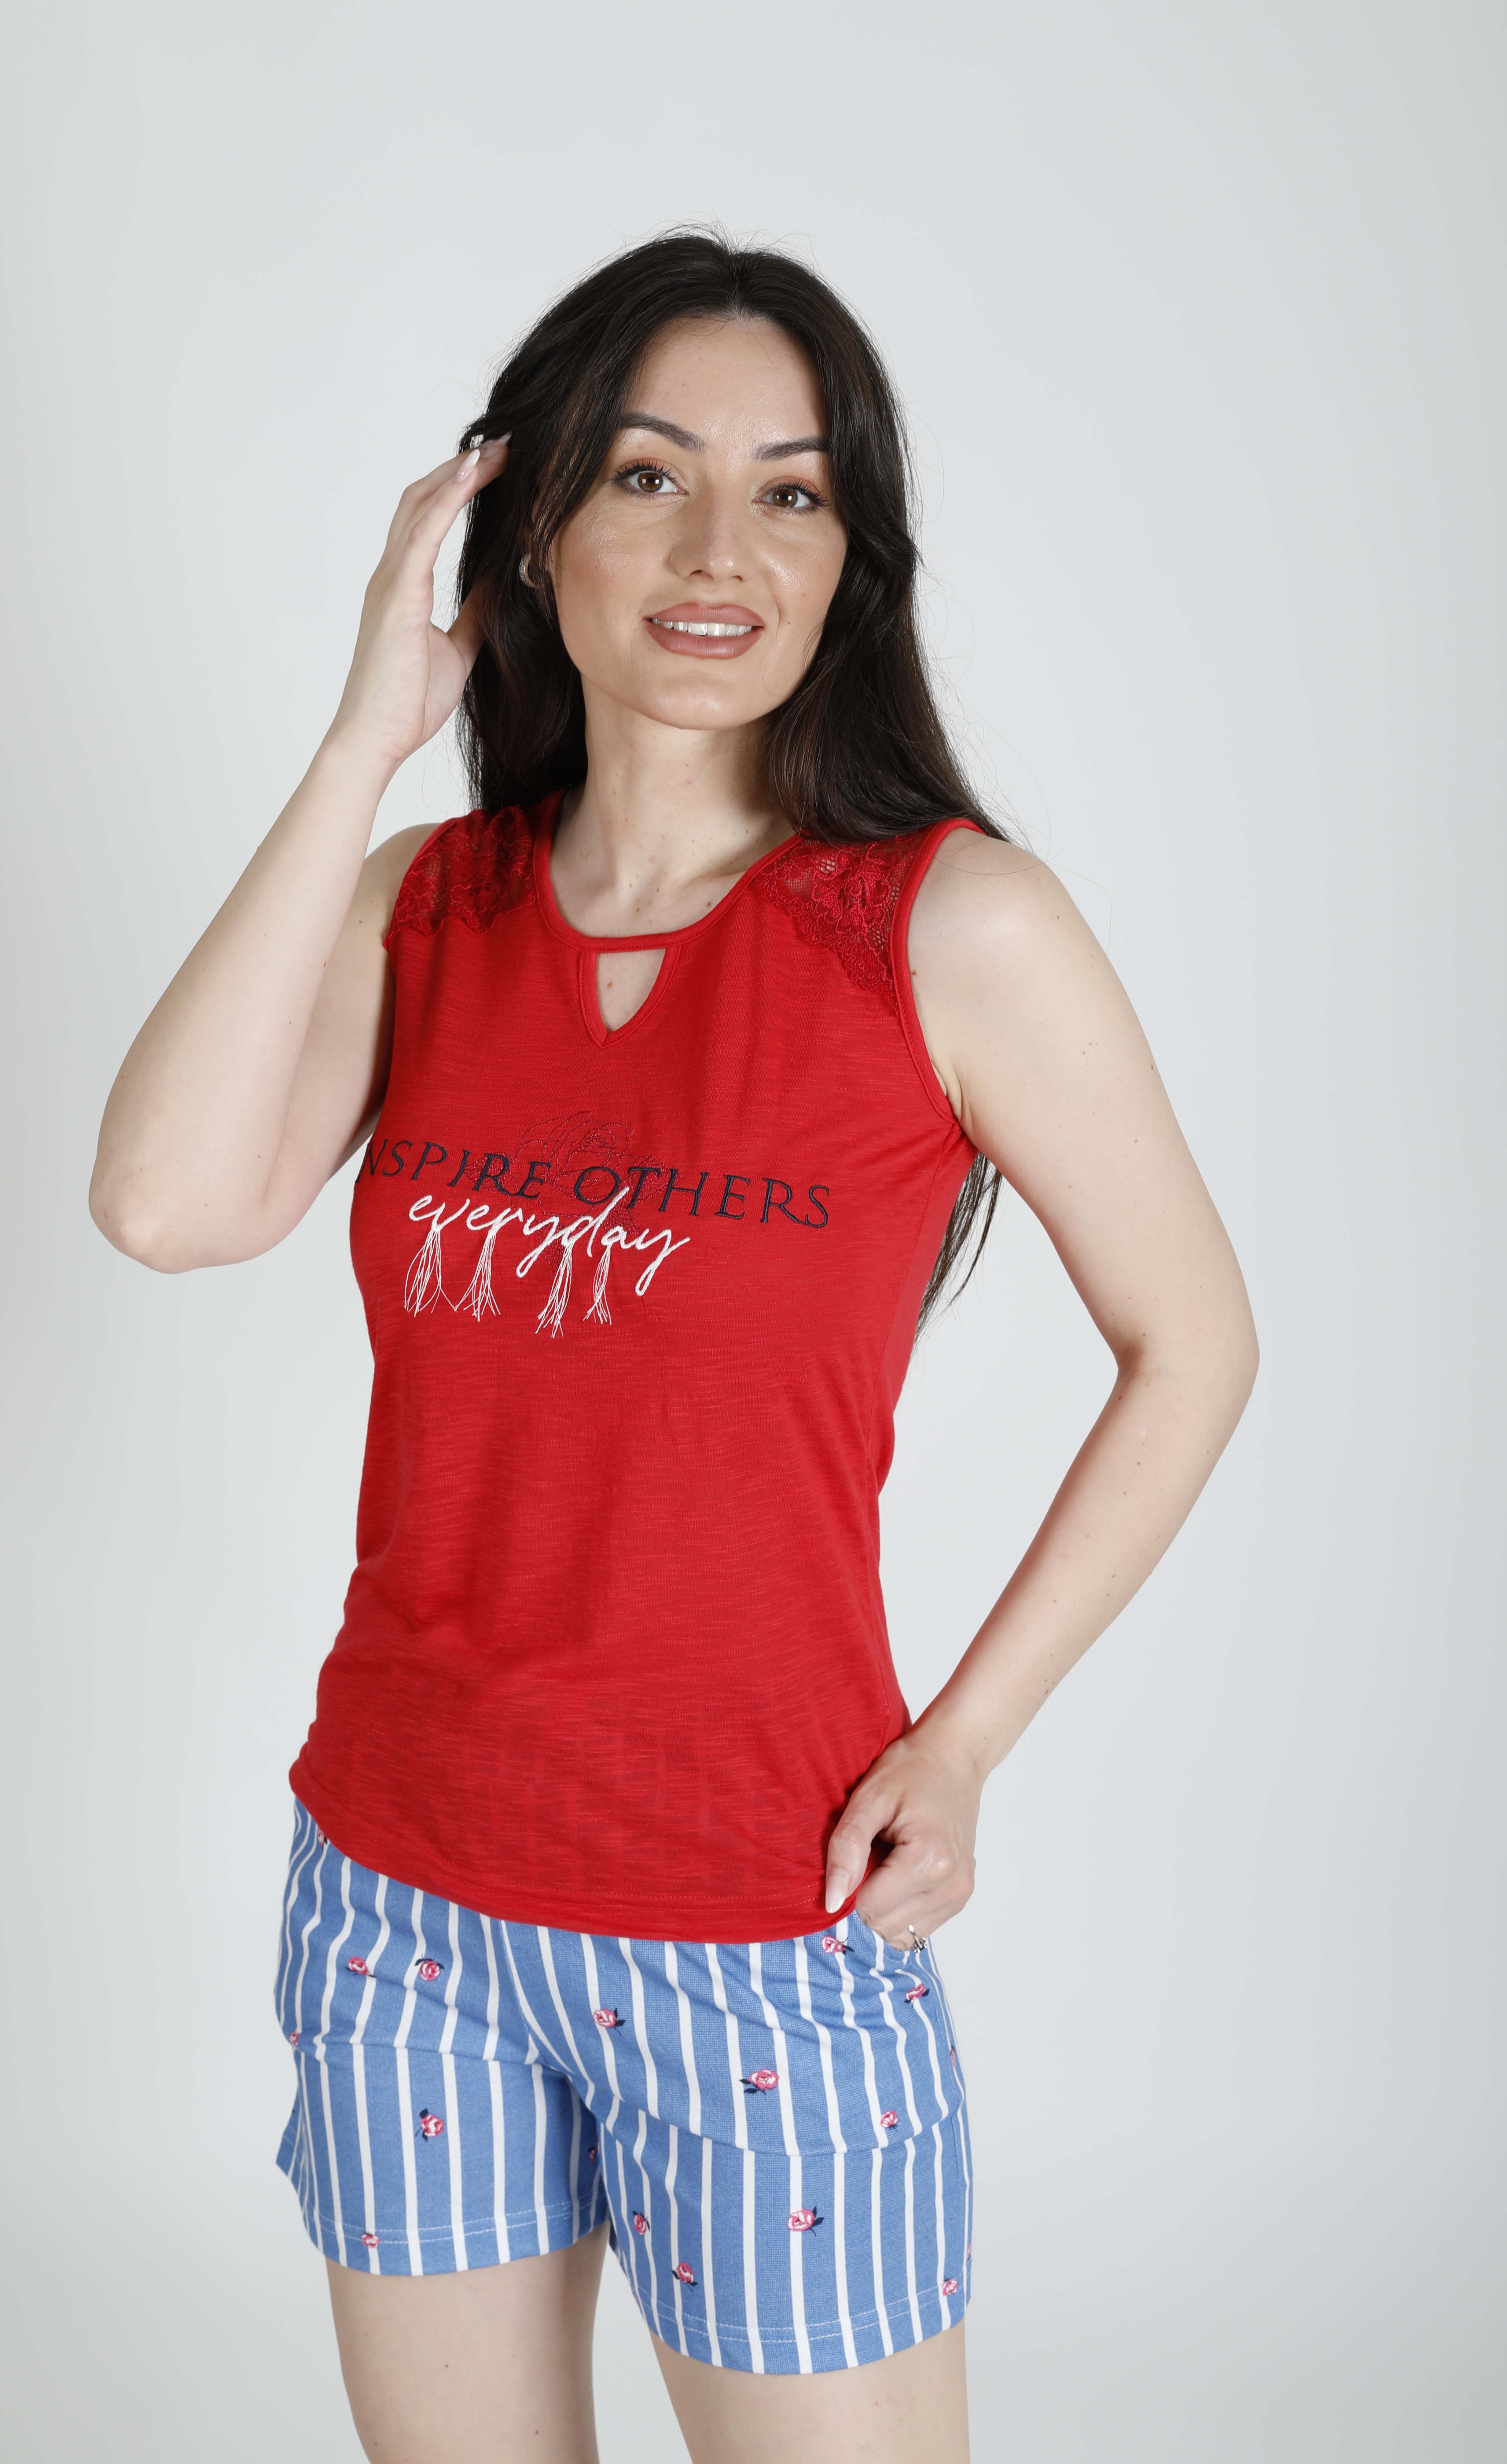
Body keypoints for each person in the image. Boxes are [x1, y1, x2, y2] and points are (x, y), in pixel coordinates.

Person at [89, 230, 1258, 2464]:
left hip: (759, 1916)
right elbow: (161, 1202)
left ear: (848, 562)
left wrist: (966, 1743)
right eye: (648, 475)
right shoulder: (424, 909)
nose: (723, 546)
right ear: (529, 532)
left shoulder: (951, 928)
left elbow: (1193, 1343)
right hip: (405, 1904)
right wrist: (359, 746)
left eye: (791, 492)